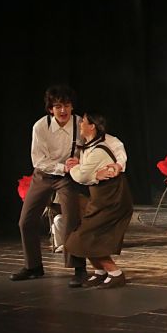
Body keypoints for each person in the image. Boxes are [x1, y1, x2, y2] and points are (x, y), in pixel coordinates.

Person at [10, 85, 126, 287]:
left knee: (72, 220)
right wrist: (63, 167)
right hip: (44, 174)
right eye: (58, 106)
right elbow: (38, 160)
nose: (63, 110)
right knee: (25, 221)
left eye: (66, 105)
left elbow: (111, 142)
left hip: (68, 177)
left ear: (72, 106)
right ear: (50, 109)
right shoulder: (40, 127)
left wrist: (119, 163)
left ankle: (79, 268)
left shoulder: (81, 123)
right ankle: (33, 266)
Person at [64, 112, 133, 289]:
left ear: (92, 126)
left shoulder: (102, 147)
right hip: (100, 199)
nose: (80, 124)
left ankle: (115, 273)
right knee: (85, 237)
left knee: (83, 238)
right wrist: (90, 172)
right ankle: (100, 272)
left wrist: (74, 169)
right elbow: (86, 173)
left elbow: (81, 176)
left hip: (112, 199)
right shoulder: (88, 147)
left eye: (83, 122)